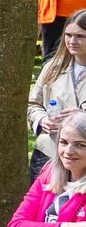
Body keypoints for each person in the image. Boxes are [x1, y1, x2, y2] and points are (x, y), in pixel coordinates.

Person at [34, 13, 86, 162]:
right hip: (49, 152)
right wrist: (42, 120)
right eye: (68, 35)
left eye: (80, 36)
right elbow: (33, 103)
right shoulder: (52, 68)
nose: (72, 41)